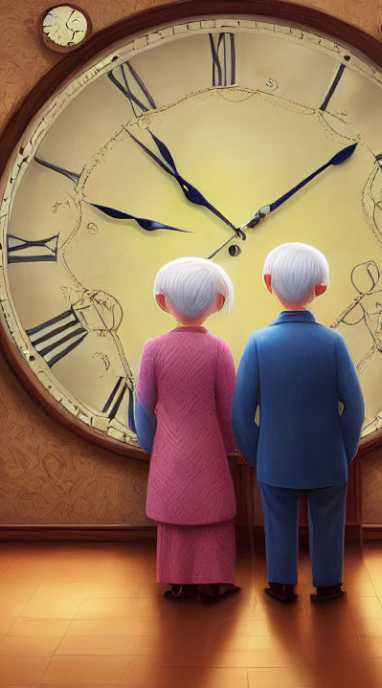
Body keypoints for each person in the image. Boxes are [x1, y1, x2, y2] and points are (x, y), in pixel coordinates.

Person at [232, 242, 364, 604]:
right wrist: (344, 452)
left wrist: (259, 455)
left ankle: (281, 584)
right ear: (320, 288)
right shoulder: (334, 342)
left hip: (275, 459)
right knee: (329, 521)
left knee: (278, 522)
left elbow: (241, 413)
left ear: (268, 283)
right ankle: (328, 584)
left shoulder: (258, 342)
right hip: (328, 459)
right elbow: (354, 407)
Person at [134, 257, 241, 603]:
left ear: (163, 302)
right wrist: (234, 446)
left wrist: (154, 447)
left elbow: (143, 406)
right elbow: (229, 409)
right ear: (218, 303)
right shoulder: (219, 349)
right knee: (213, 516)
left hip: (168, 449)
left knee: (174, 518)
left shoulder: (153, 349)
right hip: (209, 450)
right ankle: (215, 581)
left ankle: (177, 583)